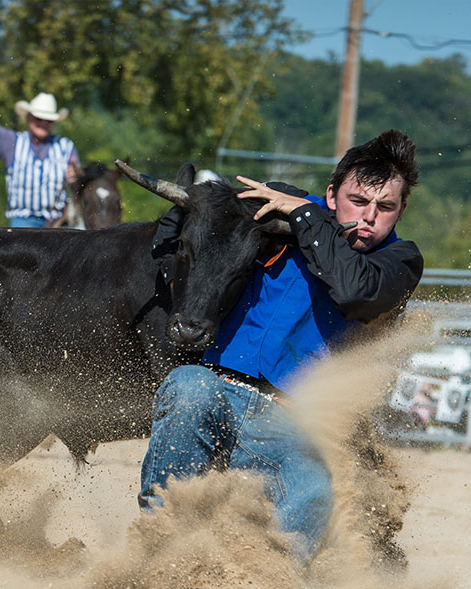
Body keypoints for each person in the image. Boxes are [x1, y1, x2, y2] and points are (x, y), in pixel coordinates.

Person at [139, 129, 424, 562]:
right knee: (187, 388)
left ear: (401, 210)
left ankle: (266, 575)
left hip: (292, 422)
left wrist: (307, 216)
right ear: (332, 195)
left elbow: (354, 290)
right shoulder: (277, 209)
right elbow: (200, 222)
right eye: (357, 200)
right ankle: (156, 548)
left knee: (313, 494)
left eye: (384, 207)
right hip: (215, 387)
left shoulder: (401, 260)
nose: (368, 217)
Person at [0, 65, 81, 228]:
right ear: (28, 118)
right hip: (22, 222)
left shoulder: (65, 146)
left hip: (57, 223)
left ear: (53, 123)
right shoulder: (12, 142)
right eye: (38, 118)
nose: (43, 123)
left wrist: (77, 175)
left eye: (48, 120)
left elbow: (80, 186)